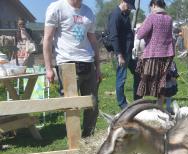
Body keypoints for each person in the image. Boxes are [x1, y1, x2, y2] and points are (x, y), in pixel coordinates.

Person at [44, 0, 102, 137]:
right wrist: (48, 68)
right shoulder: (57, 8)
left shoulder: (88, 12)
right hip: (67, 63)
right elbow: (47, 38)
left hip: (88, 63)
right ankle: (74, 142)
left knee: (92, 104)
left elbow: (92, 39)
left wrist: (98, 66)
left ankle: (88, 138)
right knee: (71, 106)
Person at [135, 0, 174, 108]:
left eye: (151, 7)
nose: (151, 9)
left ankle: (141, 107)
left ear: (154, 5)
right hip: (166, 55)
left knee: (146, 79)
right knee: (162, 80)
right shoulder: (169, 18)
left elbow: (140, 35)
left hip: (152, 54)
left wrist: (141, 26)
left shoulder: (151, 17)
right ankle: (160, 106)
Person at [108, 0, 140, 109]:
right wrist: (119, 55)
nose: (130, 8)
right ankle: (122, 104)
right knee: (121, 78)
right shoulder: (115, 15)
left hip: (129, 52)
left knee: (138, 72)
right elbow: (114, 36)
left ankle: (137, 100)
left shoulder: (125, 15)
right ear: (122, 1)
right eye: (128, 6)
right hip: (121, 53)